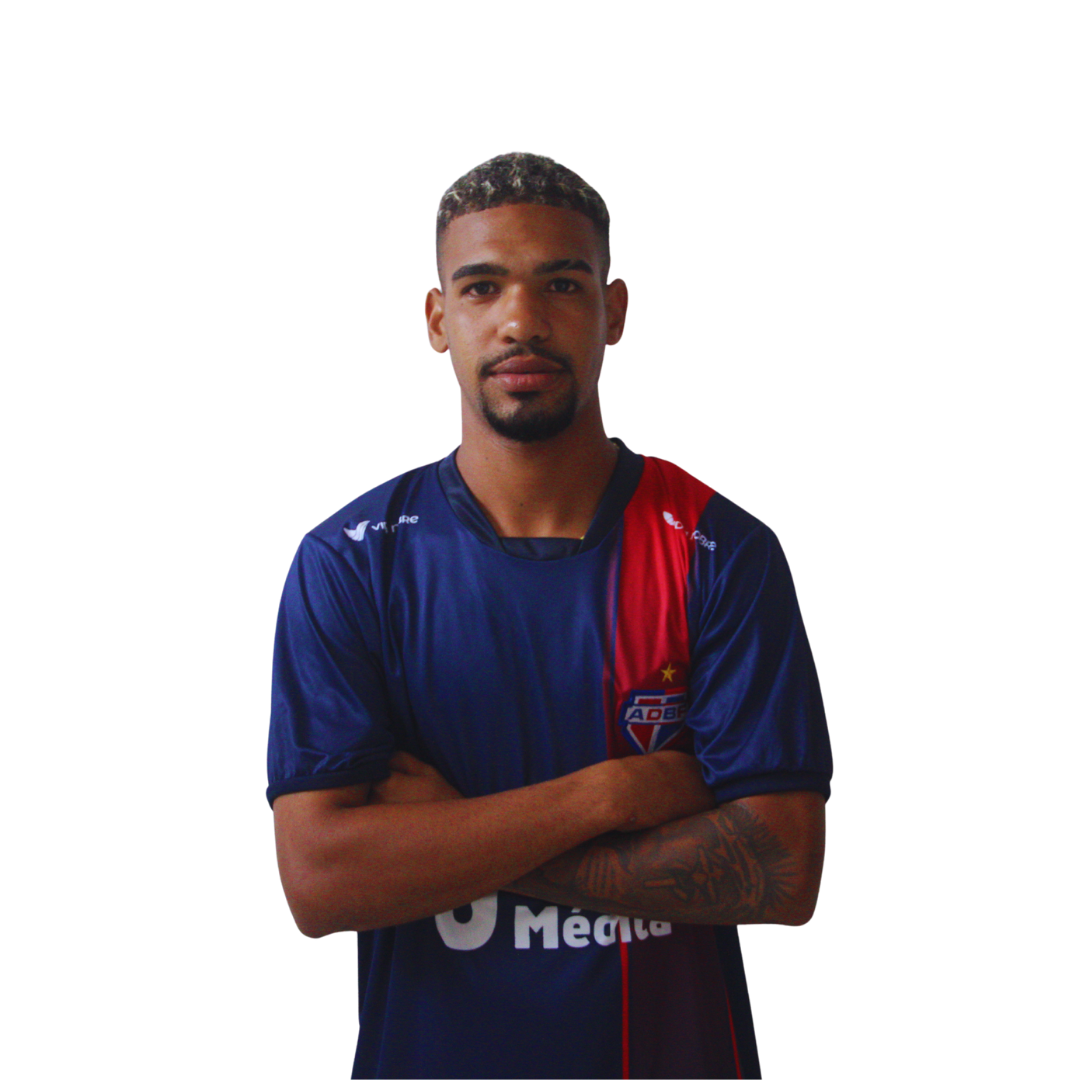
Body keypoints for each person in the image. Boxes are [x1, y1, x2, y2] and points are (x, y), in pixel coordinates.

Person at [267, 151, 832, 1080]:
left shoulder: (720, 548)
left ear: (614, 311)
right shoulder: (350, 560)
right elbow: (322, 885)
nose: (521, 321)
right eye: (482, 287)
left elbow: (782, 873)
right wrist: (611, 796)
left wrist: (455, 840)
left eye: (561, 284)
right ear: (438, 320)